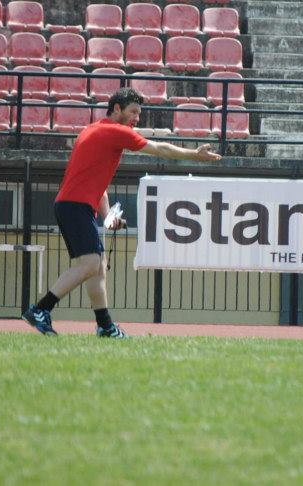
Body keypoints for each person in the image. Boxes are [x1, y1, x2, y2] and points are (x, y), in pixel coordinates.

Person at [22, 88, 221, 338]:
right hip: (75, 205)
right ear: (117, 109)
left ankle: (105, 326)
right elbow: (160, 149)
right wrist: (195, 155)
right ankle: (41, 309)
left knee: (98, 267)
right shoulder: (116, 132)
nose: (137, 118)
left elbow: (99, 186)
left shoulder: (94, 130)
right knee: (91, 263)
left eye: (139, 113)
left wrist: (107, 216)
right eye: (133, 112)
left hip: (73, 205)